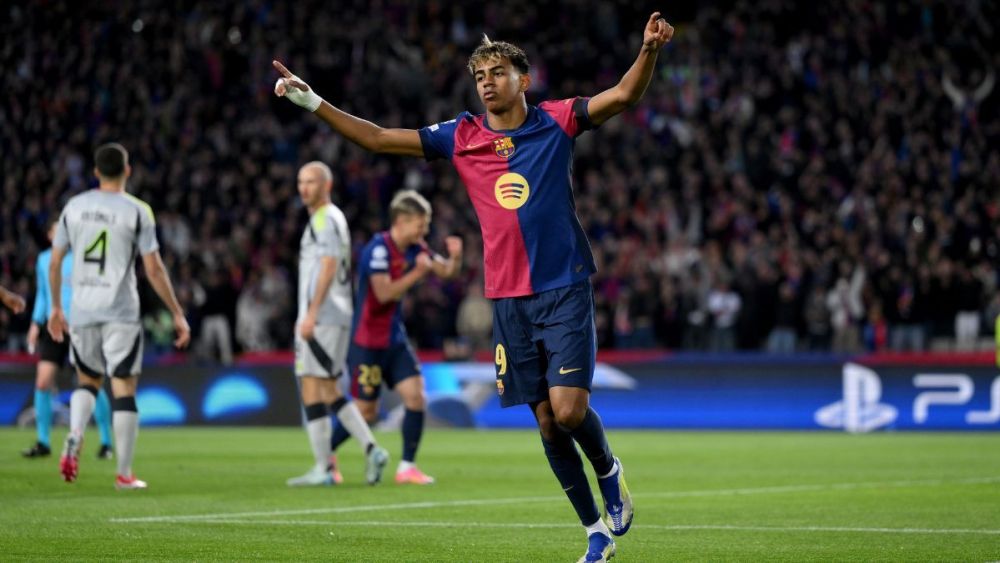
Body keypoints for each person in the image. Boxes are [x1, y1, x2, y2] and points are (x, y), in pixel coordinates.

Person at [274, 12, 673, 561]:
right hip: (507, 298)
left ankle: (608, 468)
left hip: (563, 287)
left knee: (570, 411)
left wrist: (648, 49)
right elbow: (376, 139)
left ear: (523, 80)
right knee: (546, 424)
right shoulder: (460, 136)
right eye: (480, 73)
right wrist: (313, 102)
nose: (486, 81)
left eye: (498, 71)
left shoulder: (556, 121)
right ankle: (593, 533)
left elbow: (624, 95)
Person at [48, 143, 190, 489]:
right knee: (123, 388)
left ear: (95, 172)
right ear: (127, 170)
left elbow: (55, 263)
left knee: (87, 381)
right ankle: (124, 473)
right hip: (120, 310)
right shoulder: (137, 211)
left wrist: (55, 308)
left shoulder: (75, 207)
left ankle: (76, 432)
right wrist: (176, 312)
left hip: (82, 308)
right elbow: (153, 268)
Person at [329, 190, 462, 485]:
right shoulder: (377, 250)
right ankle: (325, 452)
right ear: (402, 221)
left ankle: (407, 467)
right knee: (366, 409)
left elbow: (445, 272)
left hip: (394, 338)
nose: (424, 231)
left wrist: (456, 256)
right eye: (420, 224)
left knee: (416, 396)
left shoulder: (416, 248)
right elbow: (383, 293)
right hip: (367, 342)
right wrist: (417, 274)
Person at [287, 161, 390, 487]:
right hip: (331, 315)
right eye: (301, 181)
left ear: (326, 185)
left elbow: (329, 265)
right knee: (327, 388)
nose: (304, 188)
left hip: (325, 316)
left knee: (312, 386)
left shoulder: (325, 218)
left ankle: (325, 468)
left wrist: (312, 312)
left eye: (311, 182)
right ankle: (368, 450)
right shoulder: (327, 219)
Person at [23, 218, 114, 459]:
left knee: (91, 384)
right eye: (55, 230)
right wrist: (35, 323)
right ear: (51, 235)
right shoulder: (44, 260)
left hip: (82, 327)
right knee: (42, 382)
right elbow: (43, 295)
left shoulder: (84, 258)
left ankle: (106, 442)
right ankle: (43, 442)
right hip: (55, 328)